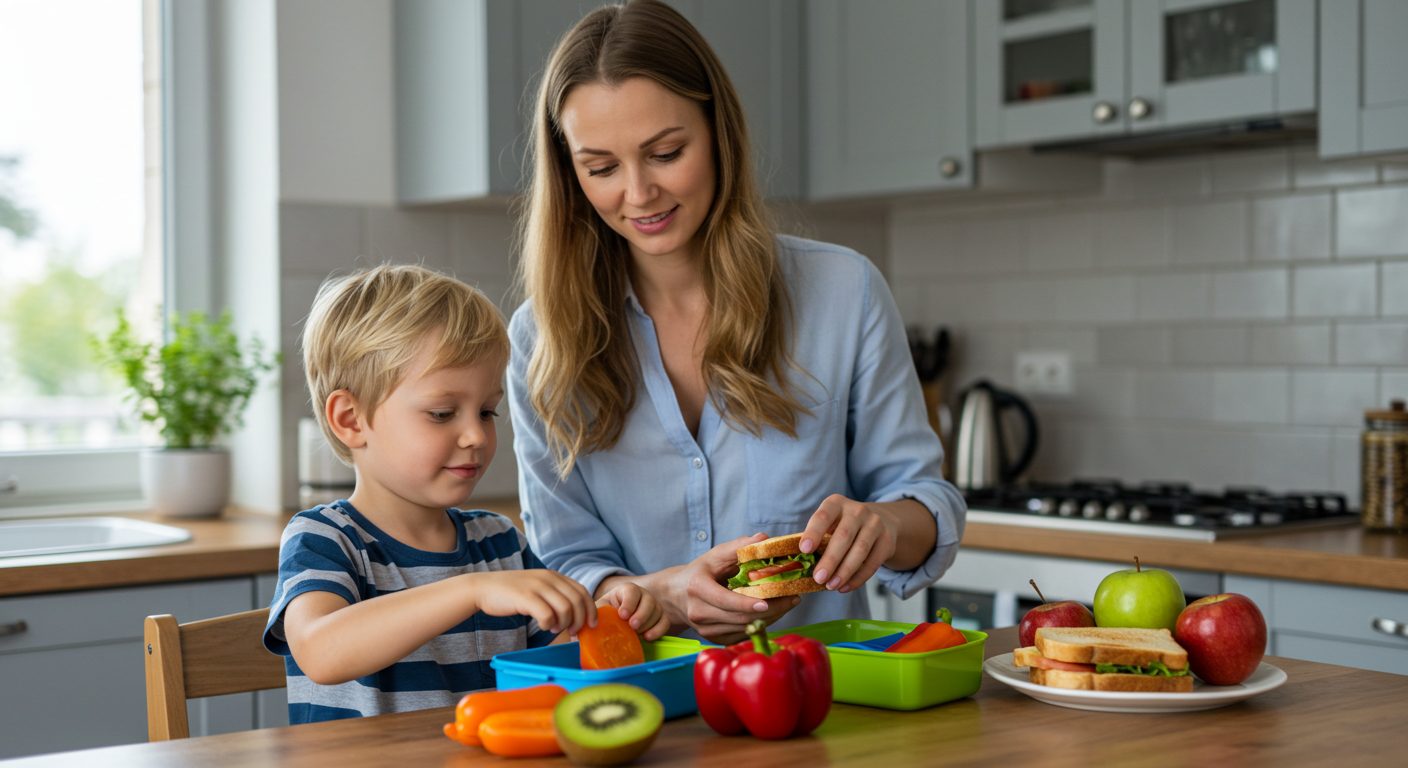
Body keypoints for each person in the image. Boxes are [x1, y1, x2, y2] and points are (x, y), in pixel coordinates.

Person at [508, 0, 966, 644]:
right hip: (638, 701)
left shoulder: (843, 290)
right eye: (602, 168)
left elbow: (925, 497)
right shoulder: (540, 338)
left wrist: (885, 526)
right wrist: (651, 594)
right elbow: (564, 558)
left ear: (718, 132)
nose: (638, 194)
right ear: (570, 174)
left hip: (820, 692)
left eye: (666, 152)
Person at [262, 263, 666, 723]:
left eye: (488, 412)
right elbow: (322, 651)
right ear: (351, 419)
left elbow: (553, 663)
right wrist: (471, 591)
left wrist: (603, 618)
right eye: (442, 413)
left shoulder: (498, 542)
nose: (475, 434)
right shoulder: (325, 538)